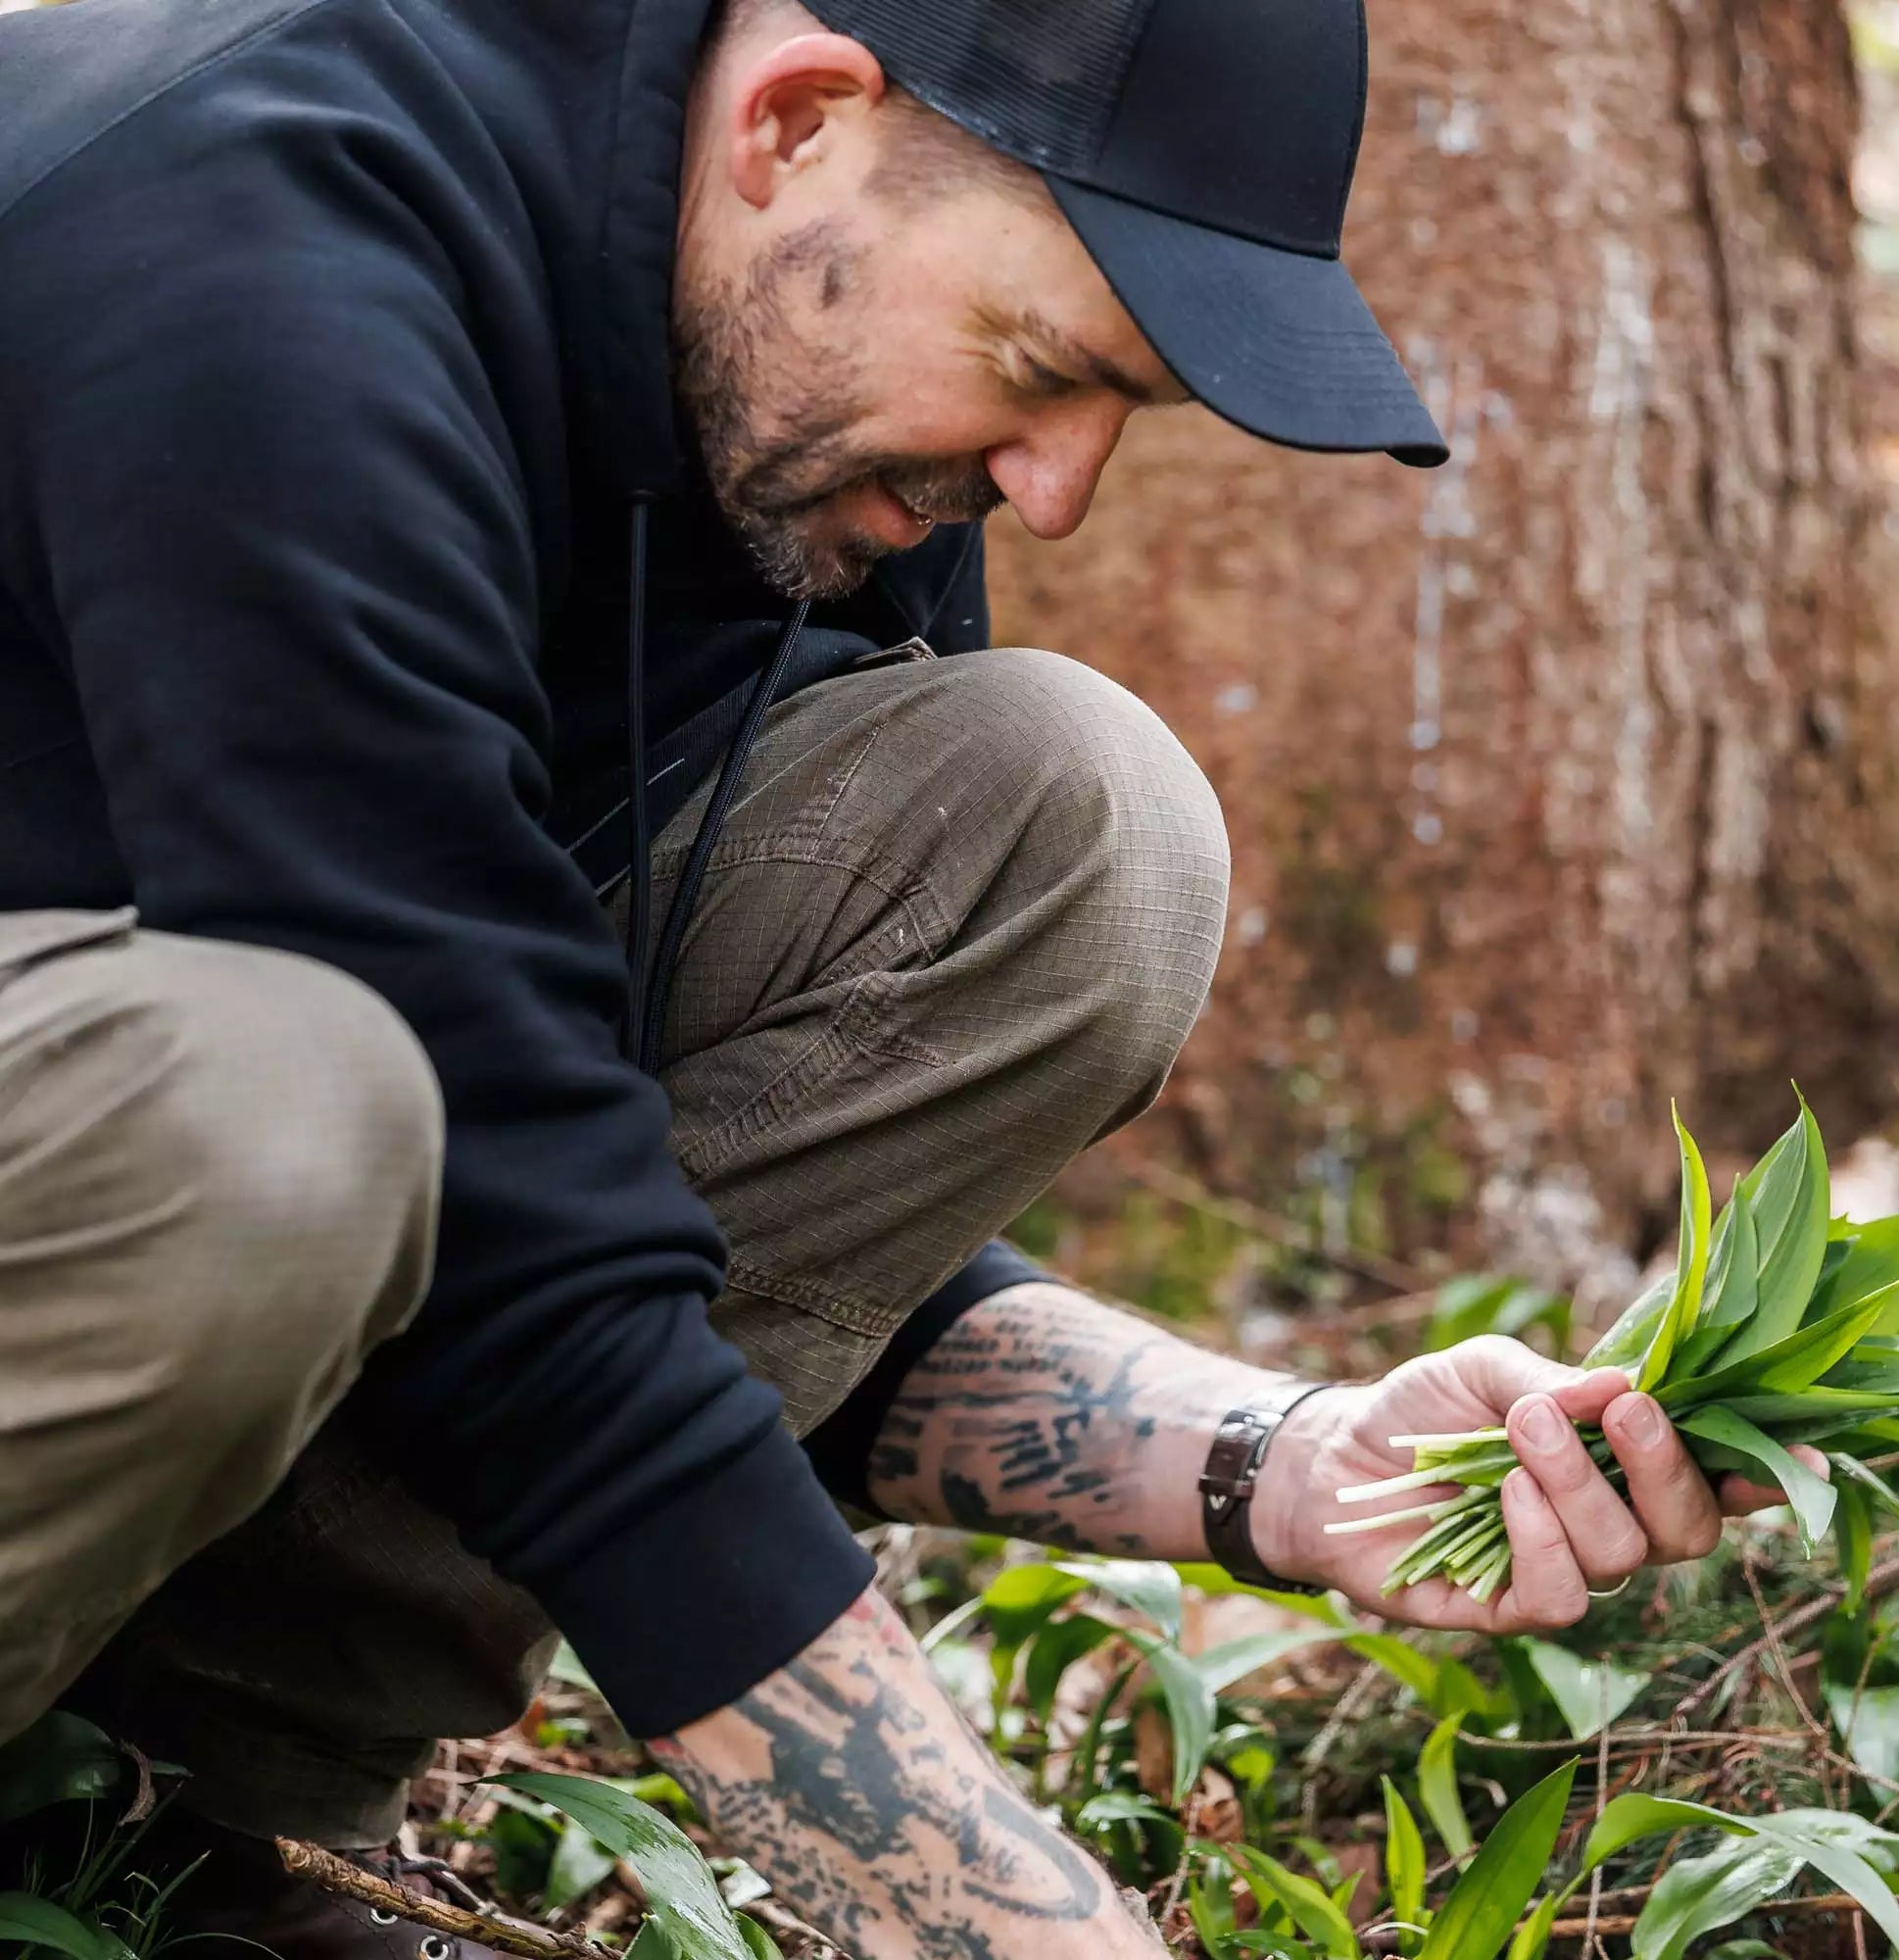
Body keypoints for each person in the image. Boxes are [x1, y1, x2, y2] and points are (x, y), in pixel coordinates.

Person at [0, 0, 1797, 1952]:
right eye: (1037, 370)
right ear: (792, 123)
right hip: (183, 1109)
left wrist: (1280, 1472)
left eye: (1122, 409)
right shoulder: (261, 241)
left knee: (1064, 821)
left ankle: (170, 1829)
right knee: (277, 1100)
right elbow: (514, 1230)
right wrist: (982, 1913)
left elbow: (676, 1218)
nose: (1055, 492)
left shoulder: (778, 408)